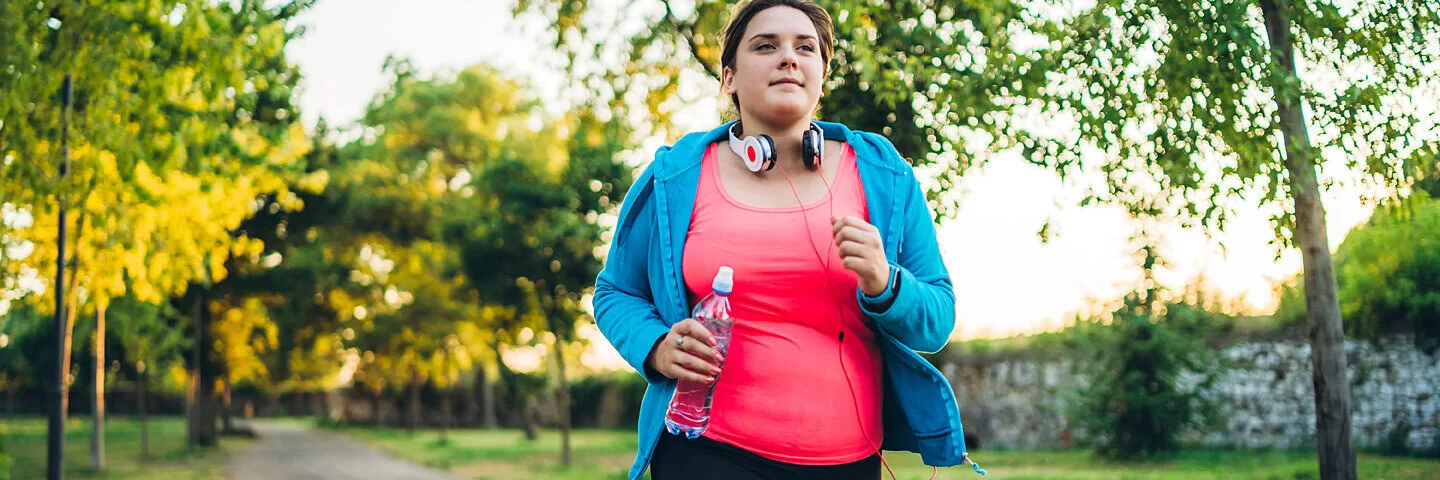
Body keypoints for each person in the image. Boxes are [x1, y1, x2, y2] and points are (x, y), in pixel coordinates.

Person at [593, 1, 976, 479]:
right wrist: (655, 345)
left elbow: (936, 320)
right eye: (766, 45)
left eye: (805, 47)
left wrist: (885, 282)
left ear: (822, 72)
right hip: (707, 449)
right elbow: (615, 292)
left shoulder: (884, 175)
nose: (788, 57)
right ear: (729, 77)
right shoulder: (676, 175)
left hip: (848, 461)